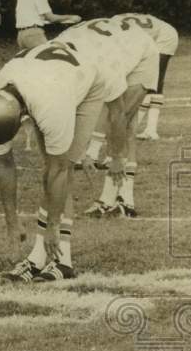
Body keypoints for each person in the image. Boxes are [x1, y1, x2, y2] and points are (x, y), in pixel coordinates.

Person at [0, 39, 130, 282]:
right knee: (50, 169)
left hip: (90, 83)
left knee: (60, 167)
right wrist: (11, 222)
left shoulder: (50, 103)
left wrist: (53, 227)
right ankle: (38, 259)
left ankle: (61, 259)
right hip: (50, 77)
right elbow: (4, 164)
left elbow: (59, 170)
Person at [56, 18, 159, 218]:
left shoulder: (104, 65)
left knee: (124, 123)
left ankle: (118, 199)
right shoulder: (59, 51)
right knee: (118, 123)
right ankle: (118, 199)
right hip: (117, 47)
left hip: (142, 54)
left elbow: (117, 115)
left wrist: (115, 157)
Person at [110, 13, 178, 140]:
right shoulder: (115, 23)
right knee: (144, 80)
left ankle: (151, 130)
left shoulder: (113, 30)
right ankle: (136, 126)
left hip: (165, 36)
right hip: (154, 35)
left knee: (154, 81)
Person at [14, 0, 81, 50]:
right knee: (51, 58)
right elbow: (51, 17)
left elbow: (32, 15)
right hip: (34, 35)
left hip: (21, 36)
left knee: (29, 61)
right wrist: (71, 17)